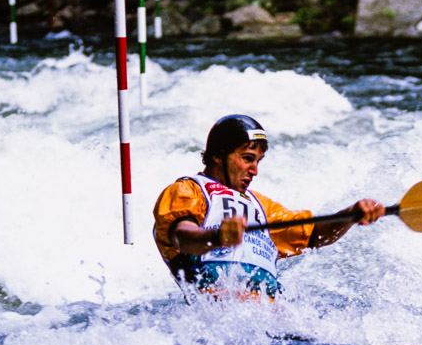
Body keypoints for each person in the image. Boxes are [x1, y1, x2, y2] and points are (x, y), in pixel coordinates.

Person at [153, 114, 385, 298]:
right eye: (247, 158)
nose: (255, 170)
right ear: (217, 155)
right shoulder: (187, 190)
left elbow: (314, 235)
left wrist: (350, 215)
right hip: (219, 318)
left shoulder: (261, 206)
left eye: (258, 161)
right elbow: (181, 236)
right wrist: (217, 236)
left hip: (273, 315)